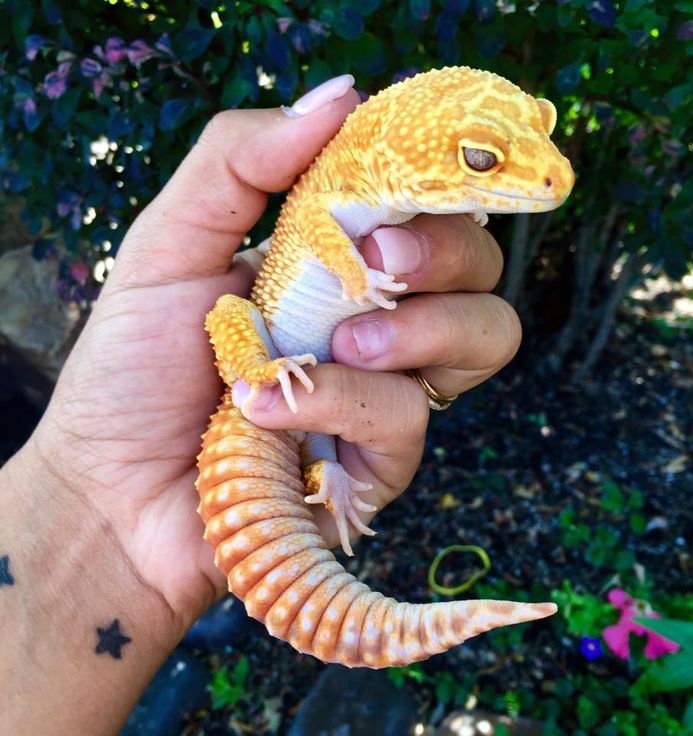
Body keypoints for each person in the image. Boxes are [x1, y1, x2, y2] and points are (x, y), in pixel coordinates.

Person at [0, 75, 521, 734]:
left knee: (307, 407)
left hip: (295, 398)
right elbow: (313, 224)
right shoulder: (348, 187)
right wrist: (357, 279)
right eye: (481, 157)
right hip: (265, 353)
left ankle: (319, 468)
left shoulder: (386, 189)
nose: (550, 175)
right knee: (253, 341)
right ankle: (315, 458)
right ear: (403, 155)